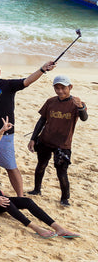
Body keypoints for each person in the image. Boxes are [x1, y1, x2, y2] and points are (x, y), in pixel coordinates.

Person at [0, 125, 78, 239]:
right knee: (6, 202)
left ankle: (58, 228)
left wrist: (2, 130)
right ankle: (35, 228)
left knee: (27, 201)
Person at [0, 59, 56, 197]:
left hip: (4, 134)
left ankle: (20, 196)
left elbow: (27, 81)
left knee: (10, 166)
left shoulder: (8, 85)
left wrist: (42, 69)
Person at [28, 75, 88, 205]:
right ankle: (36, 190)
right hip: (45, 140)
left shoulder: (76, 103)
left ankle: (65, 198)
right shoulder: (50, 101)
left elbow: (84, 118)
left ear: (70, 87)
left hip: (63, 144)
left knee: (61, 171)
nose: (60, 91)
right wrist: (33, 138)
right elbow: (41, 120)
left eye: (63, 88)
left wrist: (81, 107)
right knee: (40, 166)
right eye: (57, 88)